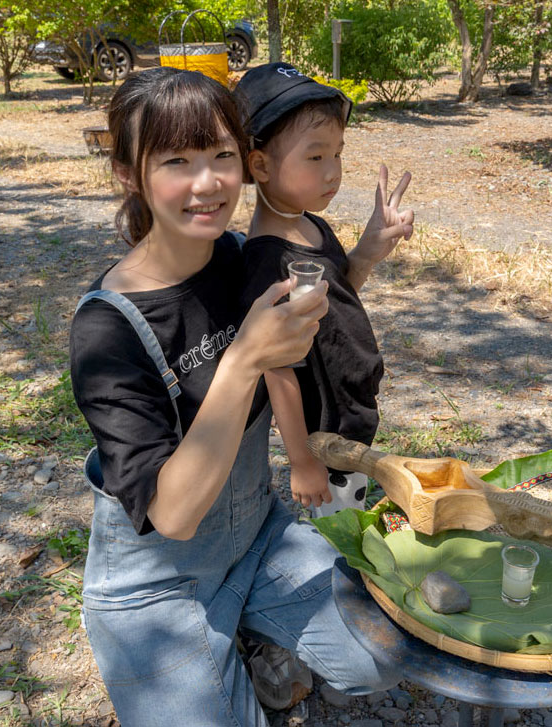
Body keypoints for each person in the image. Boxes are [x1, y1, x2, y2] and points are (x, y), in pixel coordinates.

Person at [69, 66, 411, 725]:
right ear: (126, 172)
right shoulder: (108, 327)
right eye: (176, 161)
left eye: (221, 155)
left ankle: (254, 635)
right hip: (155, 588)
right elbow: (171, 514)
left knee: (386, 653)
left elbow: (321, 325)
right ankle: (238, 655)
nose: (209, 182)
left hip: (257, 536)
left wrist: (362, 257)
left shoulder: (244, 255)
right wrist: (243, 358)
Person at [234, 63, 414, 518]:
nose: (332, 171)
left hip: (349, 405)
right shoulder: (267, 262)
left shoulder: (310, 225)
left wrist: (367, 252)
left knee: (349, 503)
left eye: (338, 154)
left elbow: (337, 293)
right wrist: (301, 462)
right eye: (315, 157)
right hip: (325, 430)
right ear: (261, 165)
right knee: (335, 527)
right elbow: (278, 368)